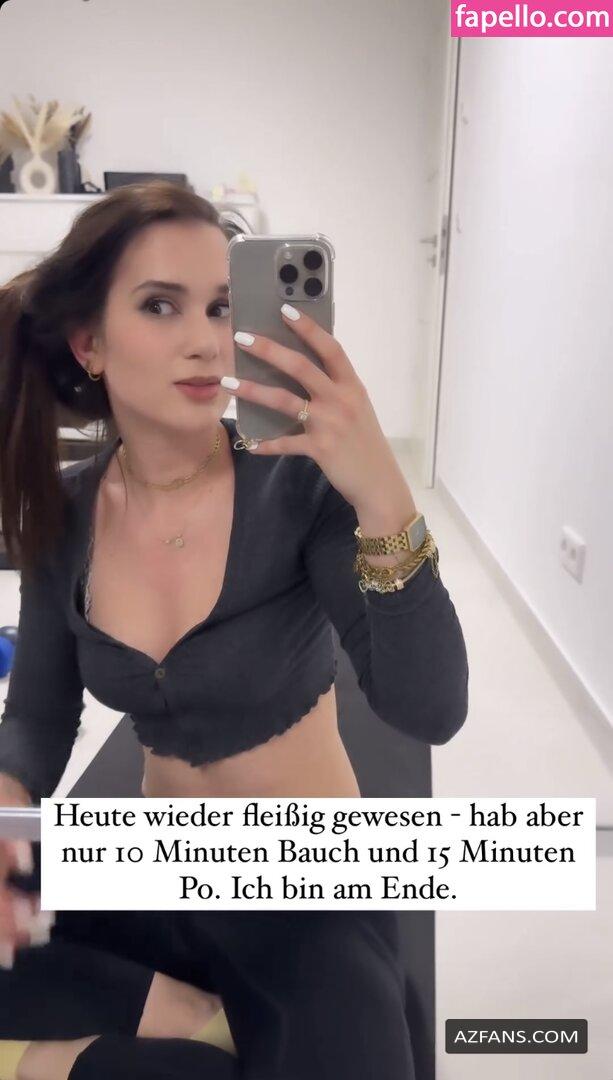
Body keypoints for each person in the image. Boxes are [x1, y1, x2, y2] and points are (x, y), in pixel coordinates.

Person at [0, 180, 469, 1080]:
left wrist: (381, 491)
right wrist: (8, 801)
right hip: (148, 872)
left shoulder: (296, 483)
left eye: (221, 306)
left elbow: (429, 708)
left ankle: (71, 1056)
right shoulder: (68, 512)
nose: (205, 339)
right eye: (160, 305)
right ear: (90, 345)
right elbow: (39, 716)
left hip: (304, 888)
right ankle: (167, 1016)